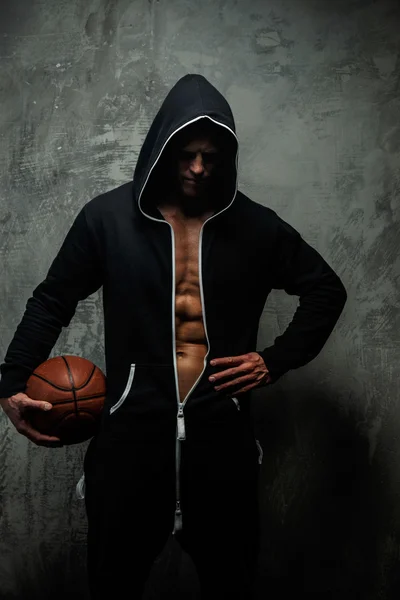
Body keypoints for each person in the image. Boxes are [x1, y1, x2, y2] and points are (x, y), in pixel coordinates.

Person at [0, 74, 347, 599]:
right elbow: (52, 301)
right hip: (129, 443)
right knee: (113, 587)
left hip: (221, 442)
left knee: (231, 586)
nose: (199, 168)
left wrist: (276, 359)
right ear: (162, 146)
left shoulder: (255, 226)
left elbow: (326, 289)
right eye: (187, 153)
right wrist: (8, 382)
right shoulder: (107, 220)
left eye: (211, 155)